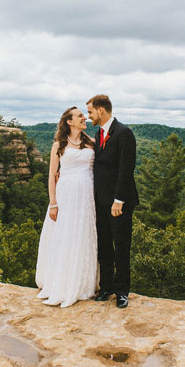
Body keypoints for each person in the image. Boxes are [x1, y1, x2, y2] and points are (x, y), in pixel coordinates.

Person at [35, 106, 98, 307]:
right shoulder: (58, 145)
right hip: (66, 196)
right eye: (80, 116)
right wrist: (53, 203)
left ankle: (81, 283)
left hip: (86, 195)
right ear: (69, 121)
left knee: (83, 235)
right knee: (65, 236)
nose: (84, 118)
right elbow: (52, 176)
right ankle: (61, 281)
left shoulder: (92, 143)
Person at [86, 94, 138, 309]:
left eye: (90, 112)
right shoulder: (98, 134)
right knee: (104, 245)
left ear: (100, 110)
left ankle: (122, 292)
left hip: (120, 202)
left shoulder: (124, 133)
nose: (89, 116)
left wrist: (118, 200)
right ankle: (106, 287)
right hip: (100, 201)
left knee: (121, 246)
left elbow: (126, 170)